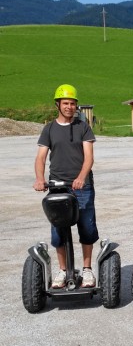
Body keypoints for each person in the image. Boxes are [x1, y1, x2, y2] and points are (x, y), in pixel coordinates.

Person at [33, 84, 99, 289]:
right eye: (66, 103)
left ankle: (87, 270)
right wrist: (39, 179)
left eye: (72, 103)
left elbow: (89, 157)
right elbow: (41, 157)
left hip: (82, 186)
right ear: (57, 105)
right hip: (57, 186)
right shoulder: (49, 129)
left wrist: (80, 177)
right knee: (58, 229)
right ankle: (62, 270)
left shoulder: (83, 127)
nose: (70, 107)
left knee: (86, 227)